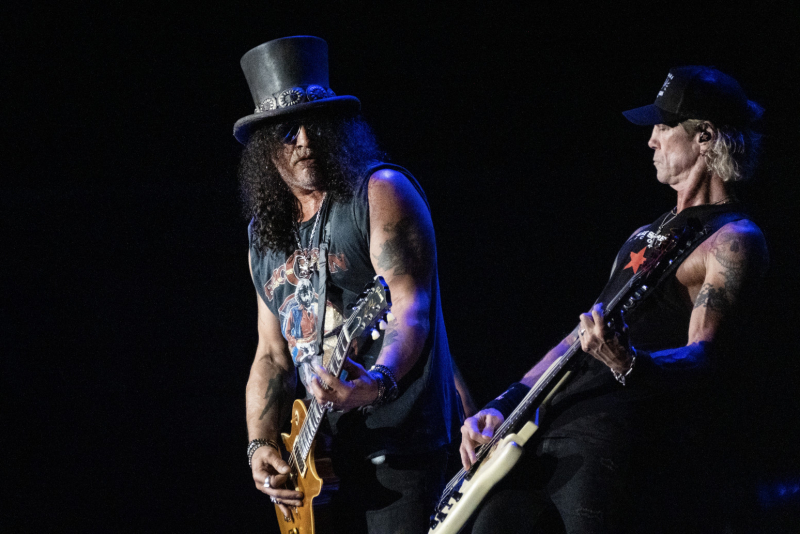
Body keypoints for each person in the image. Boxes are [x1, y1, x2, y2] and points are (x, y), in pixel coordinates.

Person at [459, 66, 769, 533]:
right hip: (544, 432)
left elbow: (706, 356)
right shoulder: (643, 234)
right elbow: (576, 338)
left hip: (611, 443)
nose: (651, 140)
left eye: (663, 127)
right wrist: (505, 403)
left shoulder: (732, 239)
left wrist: (631, 363)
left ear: (705, 136)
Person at [235, 36, 462, 533]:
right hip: (318, 457)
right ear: (264, 147)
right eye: (287, 131)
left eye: (315, 124)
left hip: (398, 444)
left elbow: (409, 304)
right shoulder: (264, 235)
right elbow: (272, 354)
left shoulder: (379, 192)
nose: (304, 140)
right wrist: (261, 443)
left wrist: (376, 382)